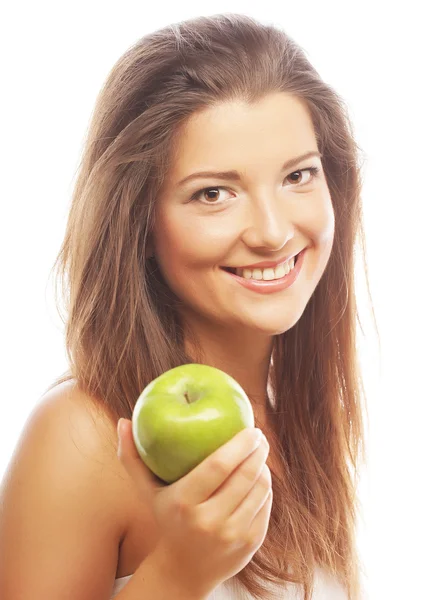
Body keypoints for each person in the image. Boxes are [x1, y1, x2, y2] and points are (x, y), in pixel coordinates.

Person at [0, 13, 375, 600]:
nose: (274, 232)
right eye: (213, 193)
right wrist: (178, 573)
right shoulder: (81, 439)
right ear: (140, 223)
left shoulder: (300, 420)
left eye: (298, 175)